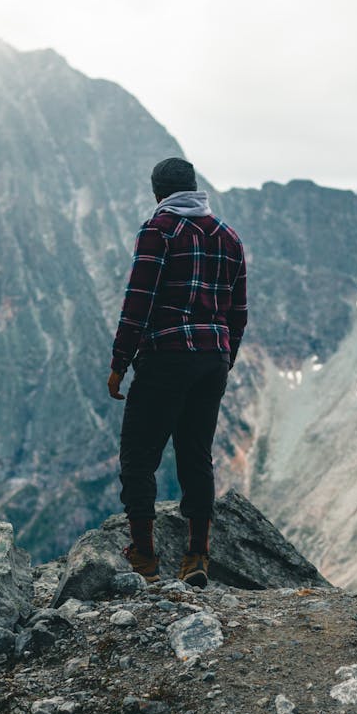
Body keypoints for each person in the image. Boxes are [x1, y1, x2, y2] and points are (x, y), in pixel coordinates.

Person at [108, 156, 247, 587]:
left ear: (157, 193)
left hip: (166, 355)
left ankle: (145, 556)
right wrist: (224, 356)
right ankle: (197, 555)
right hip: (213, 359)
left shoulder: (158, 230)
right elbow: (238, 312)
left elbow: (139, 300)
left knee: (138, 456)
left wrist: (119, 364)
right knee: (196, 455)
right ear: (195, 187)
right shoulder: (229, 237)